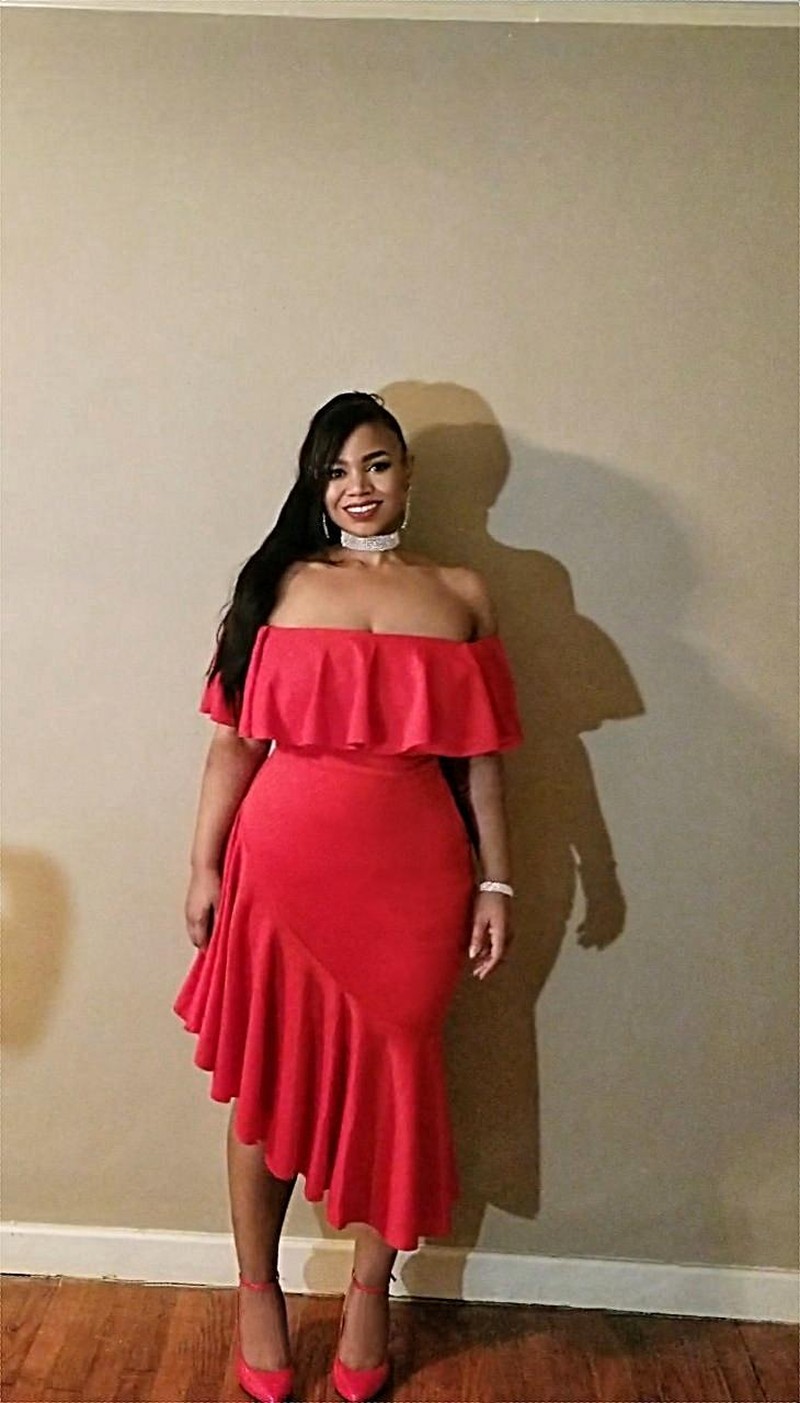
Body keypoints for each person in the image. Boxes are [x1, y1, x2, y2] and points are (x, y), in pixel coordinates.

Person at [173, 391, 523, 1403]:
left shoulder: (461, 593)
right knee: (266, 1076)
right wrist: (203, 866)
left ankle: (372, 1288)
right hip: (282, 866)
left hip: (416, 873)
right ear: (313, 484)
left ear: (407, 473)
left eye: (374, 464)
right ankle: (257, 1289)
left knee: (400, 1080)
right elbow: (233, 745)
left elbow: (483, 758)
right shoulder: (277, 586)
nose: (356, 487)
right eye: (334, 470)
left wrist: (497, 878)